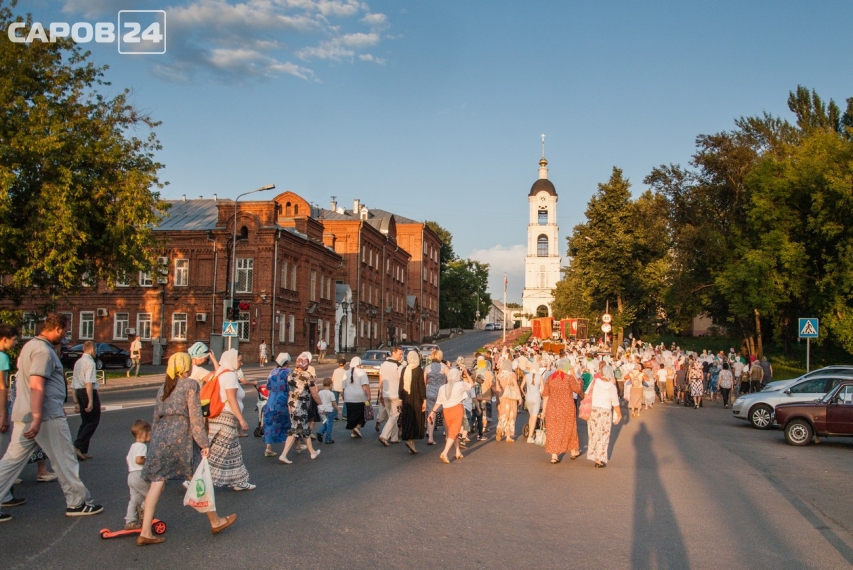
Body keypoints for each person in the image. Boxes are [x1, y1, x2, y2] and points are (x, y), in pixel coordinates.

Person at [0, 314, 103, 523]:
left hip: (26, 413)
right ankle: (77, 502)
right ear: (57, 328)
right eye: (65, 331)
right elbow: (37, 385)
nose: (65, 336)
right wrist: (38, 417)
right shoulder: (43, 351)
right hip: (44, 416)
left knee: (11, 462)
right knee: (65, 458)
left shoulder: (30, 346)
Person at [138, 353, 236, 545]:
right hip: (181, 438)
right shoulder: (190, 385)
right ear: (185, 367)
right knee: (198, 479)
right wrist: (204, 443)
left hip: (160, 438)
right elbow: (196, 417)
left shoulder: (163, 388)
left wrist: (154, 443)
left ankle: (145, 531)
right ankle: (215, 521)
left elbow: (155, 417)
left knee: (157, 483)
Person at [207, 349, 255, 491]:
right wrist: (242, 419)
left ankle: (239, 481)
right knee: (217, 454)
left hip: (219, 417)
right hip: (226, 418)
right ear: (232, 360)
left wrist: (214, 359)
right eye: (239, 360)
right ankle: (196, 480)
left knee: (234, 452)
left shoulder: (221, 372)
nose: (241, 363)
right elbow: (231, 399)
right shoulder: (230, 376)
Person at [278, 354, 322, 463]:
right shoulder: (307, 376)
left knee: (302, 428)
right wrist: (321, 405)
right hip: (301, 405)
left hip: (292, 404)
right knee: (296, 429)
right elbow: (314, 394)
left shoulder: (290, 374)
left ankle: (312, 452)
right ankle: (283, 455)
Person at [540, 361, 584, 464]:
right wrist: (574, 374)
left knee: (553, 430)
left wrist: (543, 410)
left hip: (552, 408)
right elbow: (578, 390)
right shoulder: (569, 378)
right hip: (566, 408)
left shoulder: (550, 378)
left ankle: (554, 455)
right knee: (570, 429)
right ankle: (573, 451)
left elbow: (546, 395)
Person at [428, 368, 469, 463]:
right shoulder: (460, 384)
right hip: (457, 409)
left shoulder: (443, 387)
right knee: (454, 431)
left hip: (446, 410)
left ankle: (457, 451)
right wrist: (467, 374)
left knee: (452, 431)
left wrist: (432, 412)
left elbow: (439, 401)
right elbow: (471, 384)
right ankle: (444, 452)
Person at [585, 372, 622, 468]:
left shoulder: (594, 382)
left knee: (593, 434)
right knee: (603, 436)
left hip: (593, 410)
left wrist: (586, 407)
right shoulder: (612, 387)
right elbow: (615, 403)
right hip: (605, 411)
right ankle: (599, 459)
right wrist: (619, 414)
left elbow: (586, 394)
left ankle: (594, 455)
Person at [72, 341, 100, 461]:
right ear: (92, 349)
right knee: (93, 421)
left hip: (79, 391)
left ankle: (82, 450)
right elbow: (89, 383)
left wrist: (76, 402)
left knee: (85, 421)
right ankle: (78, 445)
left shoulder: (78, 362)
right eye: (96, 349)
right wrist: (91, 401)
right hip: (87, 392)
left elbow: (74, 382)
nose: (96, 352)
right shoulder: (90, 362)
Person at [263, 353, 291, 457]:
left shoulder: (272, 372)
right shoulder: (288, 372)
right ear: (287, 362)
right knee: (288, 422)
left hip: (272, 399)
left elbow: (268, 386)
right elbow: (292, 386)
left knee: (270, 423)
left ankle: (268, 448)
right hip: (283, 399)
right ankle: (295, 445)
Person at [124, 419, 151, 530]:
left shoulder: (133, 446)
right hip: (139, 475)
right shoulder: (142, 446)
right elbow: (139, 460)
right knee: (151, 495)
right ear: (145, 434)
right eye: (150, 433)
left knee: (134, 499)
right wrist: (149, 461)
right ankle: (144, 510)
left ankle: (130, 521)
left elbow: (127, 460)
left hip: (131, 475)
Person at [398, 350, 425, 454]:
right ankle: (411, 441)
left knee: (408, 419)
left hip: (406, 399)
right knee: (416, 420)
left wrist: (400, 399)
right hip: (417, 399)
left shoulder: (404, 370)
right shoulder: (419, 370)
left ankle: (410, 442)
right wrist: (424, 400)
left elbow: (401, 385)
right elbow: (421, 386)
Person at [378, 347, 403, 446]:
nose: (401, 356)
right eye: (399, 354)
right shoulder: (399, 366)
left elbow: (381, 380)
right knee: (394, 416)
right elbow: (402, 382)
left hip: (386, 393)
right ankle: (384, 436)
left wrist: (380, 393)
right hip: (396, 394)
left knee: (391, 417)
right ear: (393, 353)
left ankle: (394, 437)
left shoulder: (383, 364)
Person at [343, 357, 371, 438]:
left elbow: (343, 387)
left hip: (348, 397)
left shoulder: (346, 372)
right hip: (360, 397)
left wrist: (344, 396)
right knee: (361, 414)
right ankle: (357, 427)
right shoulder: (362, 372)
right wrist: (369, 396)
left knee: (351, 415)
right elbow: (365, 386)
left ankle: (353, 432)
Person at [424, 349, 448, 445]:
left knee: (431, 414)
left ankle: (430, 437)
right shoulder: (444, 367)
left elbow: (424, 381)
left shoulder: (427, 367)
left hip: (430, 392)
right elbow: (449, 380)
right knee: (444, 414)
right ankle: (447, 436)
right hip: (441, 392)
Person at [495, 365, 521, 443]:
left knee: (503, 415)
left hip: (502, 397)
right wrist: (520, 397)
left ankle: (500, 429)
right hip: (510, 398)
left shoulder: (498, 376)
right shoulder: (512, 375)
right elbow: (516, 386)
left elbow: (497, 389)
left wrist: (497, 399)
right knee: (510, 416)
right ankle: (508, 436)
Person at [316, 378, 340, 444]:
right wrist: (338, 409)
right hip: (329, 410)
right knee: (329, 425)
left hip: (322, 410)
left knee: (325, 423)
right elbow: (334, 403)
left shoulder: (320, 392)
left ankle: (320, 432)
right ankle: (328, 439)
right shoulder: (331, 393)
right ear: (330, 385)